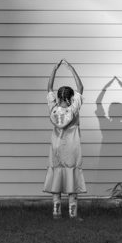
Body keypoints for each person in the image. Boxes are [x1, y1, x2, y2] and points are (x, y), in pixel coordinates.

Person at [43, 59, 86, 220]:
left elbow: (49, 88)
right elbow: (81, 88)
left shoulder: (53, 109)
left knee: (57, 175)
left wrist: (54, 70)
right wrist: (72, 69)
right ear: (71, 98)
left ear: (58, 97)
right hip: (72, 148)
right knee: (71, 177)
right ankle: (73, 214)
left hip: (56, 148)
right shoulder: (73, 108)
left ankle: (56, 211)